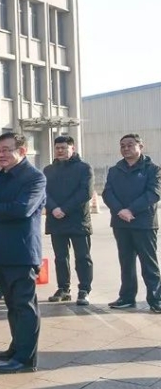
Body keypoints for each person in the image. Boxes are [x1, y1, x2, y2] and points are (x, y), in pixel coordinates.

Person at [0, 132, 46, 373]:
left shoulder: (34, 177)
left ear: (22, 151)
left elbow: (22, 209)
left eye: (6, 149)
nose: (1, 154)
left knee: (24, 306)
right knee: (11, 304)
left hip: (22, 251)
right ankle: (17, 347)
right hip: (1, 250)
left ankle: (26, 359)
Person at [103, 133, 161, 312]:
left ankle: (156, 299)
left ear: (140, 146)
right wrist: (120, 210)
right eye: (122, 146)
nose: (126, 148)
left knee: (149, 263)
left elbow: (153, 193)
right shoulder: (115, 170)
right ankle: (127, 297)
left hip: (144, 223)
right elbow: (107, 193)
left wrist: (131, 210)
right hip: (121, 223)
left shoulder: (153, 169)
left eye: (130, 145)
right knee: (126, 262)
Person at [43, 135, 94, 306]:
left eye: (64, 148)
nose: (60, 151)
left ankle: (84, 289)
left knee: (82, 257)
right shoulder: (48, 170)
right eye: (57, 148)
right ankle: (63, 288)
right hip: (56, 219)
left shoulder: (84, 168)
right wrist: (54, 208)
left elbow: (85, 192)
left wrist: (64, 209)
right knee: (60, 257)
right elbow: (43, 192)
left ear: (72, 148)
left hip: (78, 220)